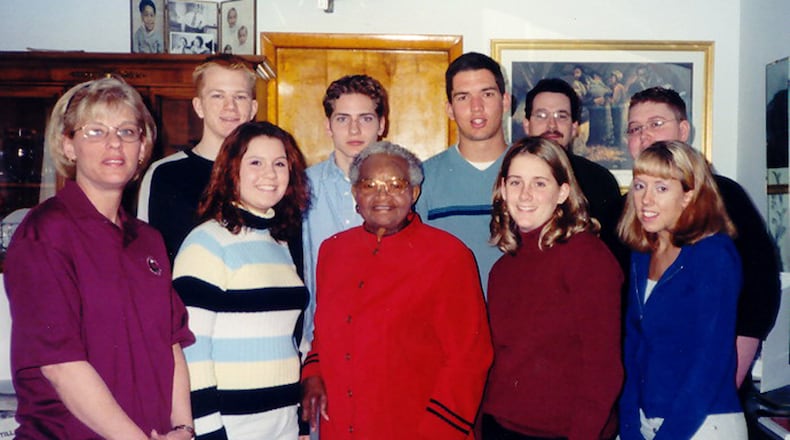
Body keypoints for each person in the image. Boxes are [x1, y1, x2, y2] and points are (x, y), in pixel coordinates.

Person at [3, 77, 195, 439]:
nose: (114, 143)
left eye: (127, 131)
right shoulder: (46, 232)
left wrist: (182, 428)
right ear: (68, 145)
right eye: (95, 131)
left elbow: (171, 345)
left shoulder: (149, 241)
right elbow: (61, 367)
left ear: (142, 149)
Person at [301, 141, 493, 439]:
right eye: (370, 184)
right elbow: (323, 332)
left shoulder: (449, 255)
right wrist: (313, 373)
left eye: (396, 184)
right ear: (355, 194)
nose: (382, 195)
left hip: (417, 427)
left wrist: (437, 432)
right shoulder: (333, 250)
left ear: (414, 193)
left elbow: (469, 358)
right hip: (341, 423)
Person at [626, 86, 781, 390]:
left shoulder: (724, 196)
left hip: (710, 384)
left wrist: (730, 377)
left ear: (684, 130)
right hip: (649, 384)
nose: (644, 136)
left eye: (656, 124)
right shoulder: (631, 208)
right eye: (635, 128)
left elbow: (760, 292)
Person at [172, 121, 309, 439]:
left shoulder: (279, 243)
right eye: (256, 162)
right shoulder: (206, 242)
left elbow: (289, 340)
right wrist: (208, 432)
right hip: (232, 429)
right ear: (231, 169)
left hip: (282, 424)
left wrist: (299, 422)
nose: (270, 174)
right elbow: (191, 349)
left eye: (279, 163)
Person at [482, 136, 623, 440]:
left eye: (540, 184)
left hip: (563, 433)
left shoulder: (587, 257)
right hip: (501, 426)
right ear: (502, 190)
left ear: (563, 193)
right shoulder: (502, 269)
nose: (525, 195)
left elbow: (604, 369)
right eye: (516, 183)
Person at [617, 140, 746, 439]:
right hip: (647, 421)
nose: (646, 200)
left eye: (661, 188)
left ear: (688, 195)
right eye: (639, 186)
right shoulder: (642, 253)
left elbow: (710, 362)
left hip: (704, 423)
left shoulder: (713, 254)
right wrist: (629, 426)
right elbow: (633, 349)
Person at [138, 54, 259, 262]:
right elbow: (148, 257)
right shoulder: (164, 174)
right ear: (198, 106)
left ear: (253, 109)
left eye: (240, 97)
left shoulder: (268, 175)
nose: (230, 107)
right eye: (217, 96)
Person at [301, 74, 388, 347]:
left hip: (385, 339)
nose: (354, 130)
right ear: (328, 125)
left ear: (381, 124)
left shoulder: (402, 190)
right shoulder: (301, 187)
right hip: (320, 340)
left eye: (365, 118)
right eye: (342, 119)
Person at [415, 51, 510, 297]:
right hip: (452, 326)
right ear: (449, 108)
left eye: (487, 94)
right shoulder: (422, 178)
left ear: (505, 101)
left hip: (520, 325)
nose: (476, 107)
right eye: (463, 97)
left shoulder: (531, 173)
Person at [522, 78, 625, 266]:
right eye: (542, 115)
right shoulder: (512, 180)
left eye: (561, 116)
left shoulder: (601, 181)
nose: (552, 126)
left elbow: (612, 257)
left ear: (574, 127)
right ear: (527, 125)